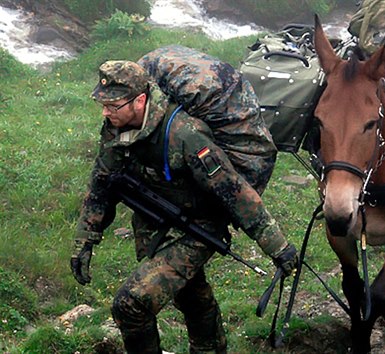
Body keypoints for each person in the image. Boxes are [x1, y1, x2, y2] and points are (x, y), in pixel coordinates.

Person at [70, 60, 297, 354]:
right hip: (161, 224)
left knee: (131, 304)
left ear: (140, 101)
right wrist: (84, 241)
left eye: (112, 105)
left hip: (198, 228)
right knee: (192, 295)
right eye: (103, 105)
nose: (105, 112)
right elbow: (102, 182)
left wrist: (278, 246)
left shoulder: (185, 135)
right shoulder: (117, 131)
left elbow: (233, 190)